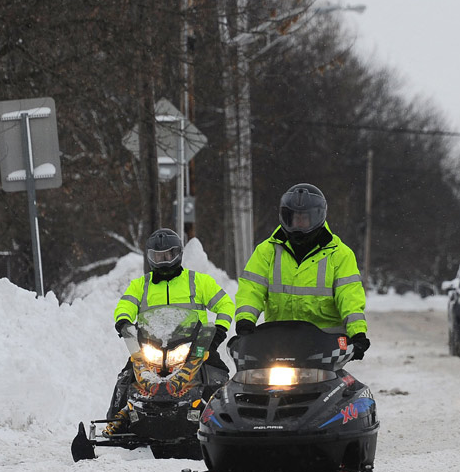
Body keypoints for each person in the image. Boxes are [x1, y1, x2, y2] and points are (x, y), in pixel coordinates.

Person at [105, 228, 234, 430]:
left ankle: (227, 420)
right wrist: (123, 321)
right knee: (127, 375)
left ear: (178, 254)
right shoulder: (141, 285)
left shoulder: (198, 281)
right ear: (150, 257)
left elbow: (225, 304)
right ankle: (115, 423)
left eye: (168, 254)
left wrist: (219, 330)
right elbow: (125, 305)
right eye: (158, 256)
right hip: (153, 344)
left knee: (217, 372)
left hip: (194, 346)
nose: (163, 260)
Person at [234, 182, 369, 360]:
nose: (299, 223)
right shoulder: (267, 251)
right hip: (277, 342)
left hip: (327, 346)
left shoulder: (340, 254)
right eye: (293, 217)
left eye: (305, 218)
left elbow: (350, 296)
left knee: (342, 387)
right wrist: (245, 320)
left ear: (318, 217)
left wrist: (357, 333)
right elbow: (252, 289)